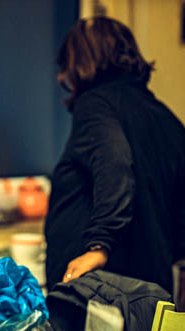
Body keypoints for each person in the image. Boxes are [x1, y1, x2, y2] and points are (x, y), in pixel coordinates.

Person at [45, 16, 185, 294]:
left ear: (79, 62)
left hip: (97, 290)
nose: (63, 76)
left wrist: (99, 246)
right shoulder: (164, 116)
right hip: (151, 289)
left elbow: (115, 161)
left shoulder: (94, 105)